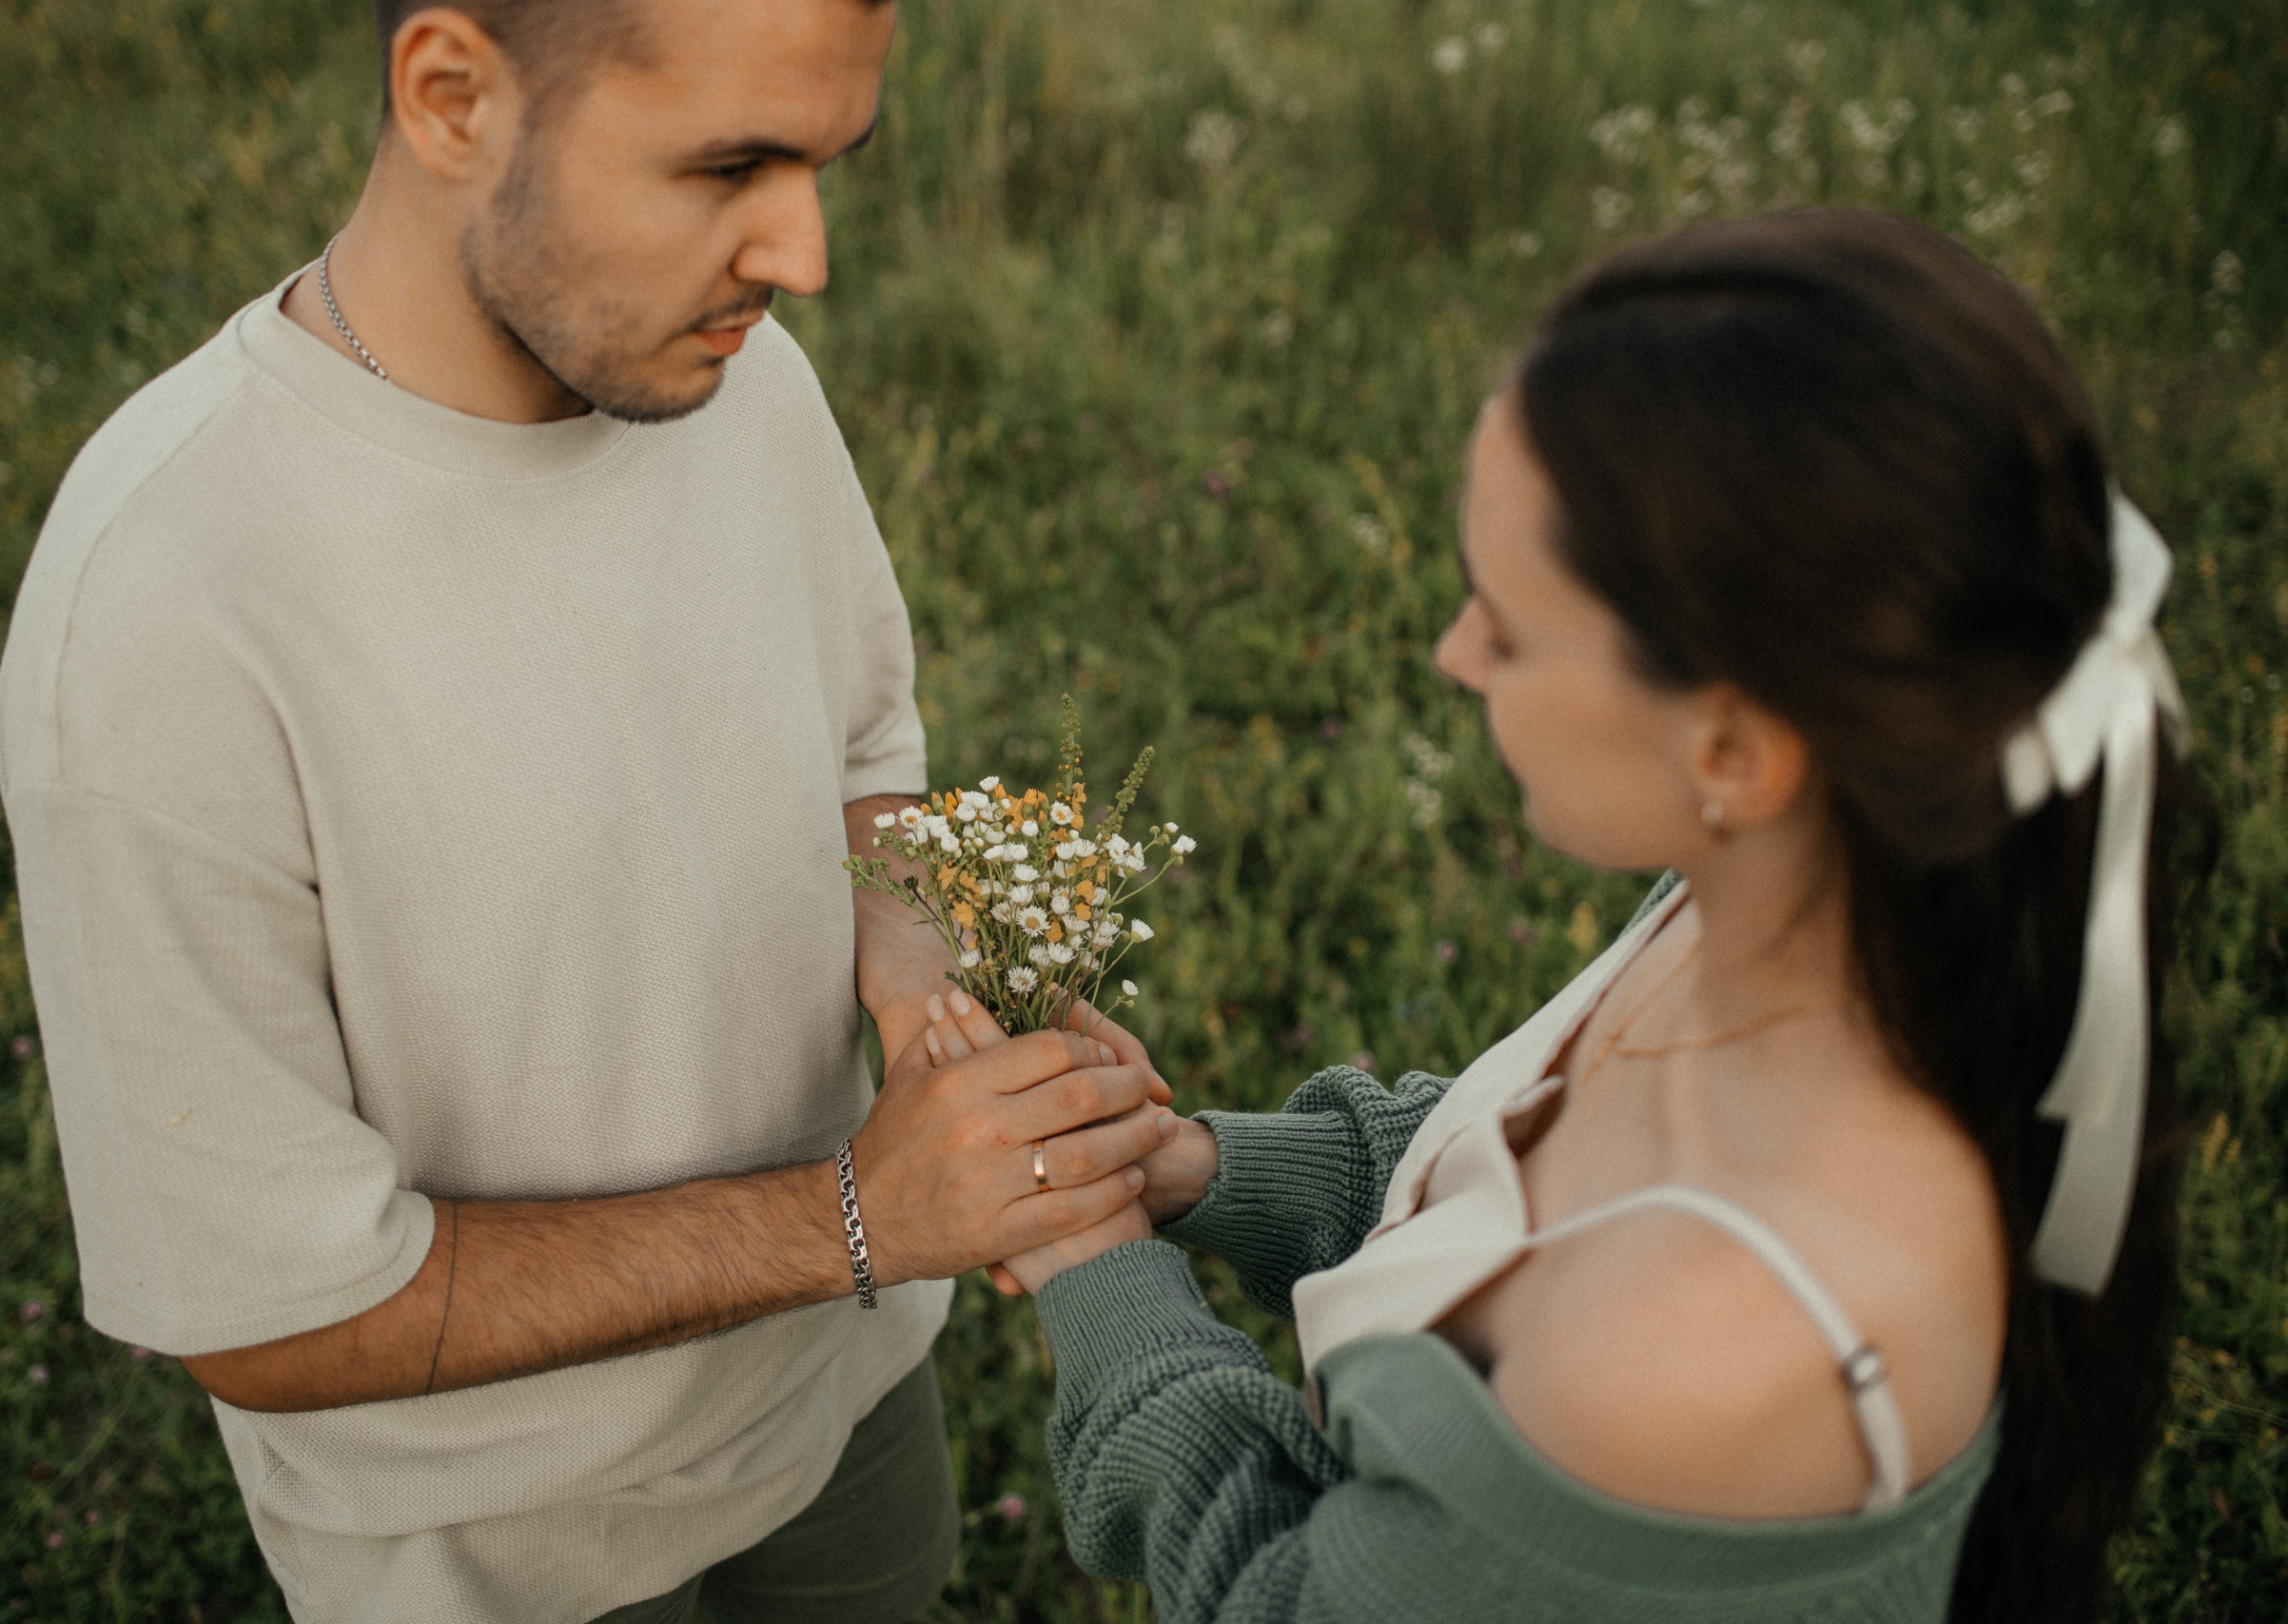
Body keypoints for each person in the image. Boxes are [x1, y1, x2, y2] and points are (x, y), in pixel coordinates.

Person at [0, 3, 1174, 1621]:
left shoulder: (730, 374)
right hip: (499, 1551)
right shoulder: (164, 604)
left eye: (826, 163)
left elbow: (858, 746)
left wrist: (927, 989)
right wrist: (855, 1212)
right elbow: (268, 1315)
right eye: (729, 166)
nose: (805, 255)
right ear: (453, 95)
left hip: (839, 1412)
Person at [923, 209, 2202, 1622]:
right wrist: (1195, 1167)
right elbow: (1508, 1182)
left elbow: (1276, 1596)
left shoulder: (1691, 1350)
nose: (1451, 652)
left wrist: (1105, 1275)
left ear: (1733, 749)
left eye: (1507, 624)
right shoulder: (1766, 912)